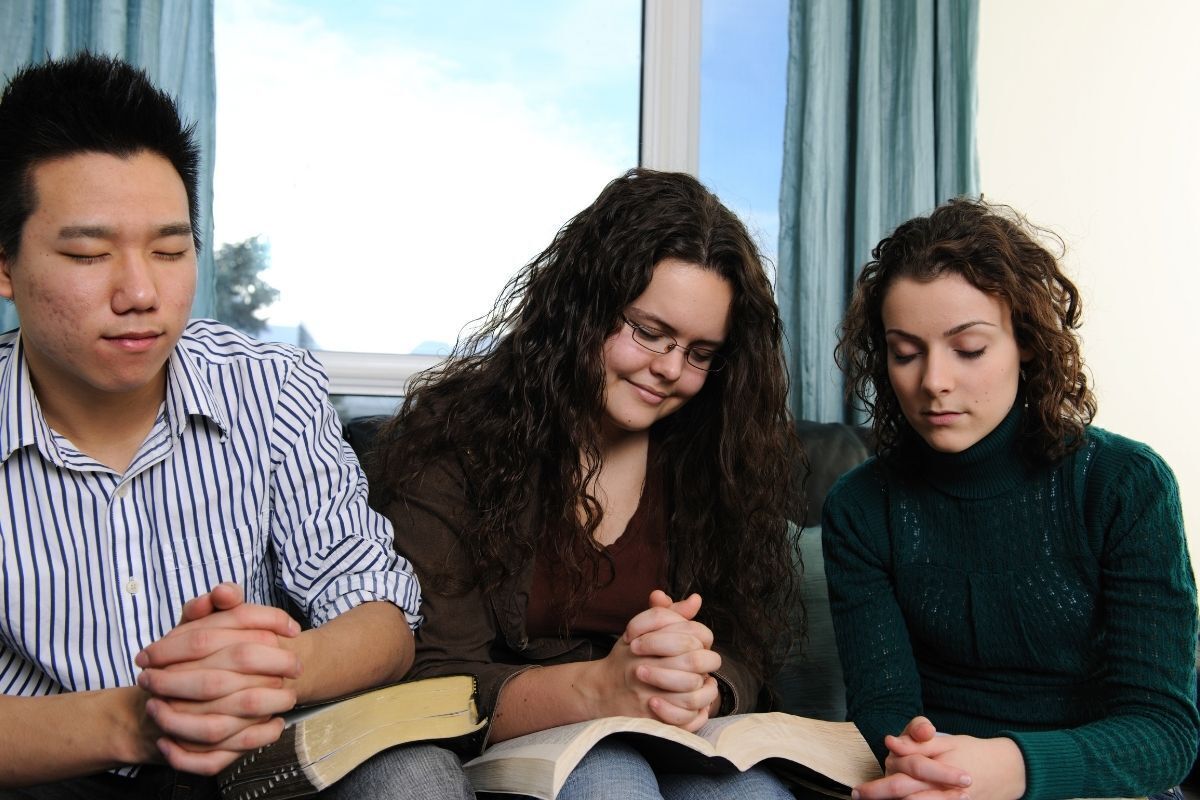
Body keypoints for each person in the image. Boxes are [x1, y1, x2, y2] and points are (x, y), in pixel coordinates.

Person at [0, 53, 474, 799]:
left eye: (170, 249)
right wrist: (137, 719)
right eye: (89, 254)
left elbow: (381, 610)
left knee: (415, 774)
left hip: (249, 766)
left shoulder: (270, 387)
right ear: (5, 265)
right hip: (50, 770)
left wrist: (270, 669)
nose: (140, 292)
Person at [368, 168, 802, 798]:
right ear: (582, 309)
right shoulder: (453, 437)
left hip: (666, 740)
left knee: (754, 794)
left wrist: (702, 680)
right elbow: (432, 677)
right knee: (609, 778)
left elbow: (746, 646)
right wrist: (603, 687)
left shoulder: (716, 451)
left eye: (701, 353)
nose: (670, 370)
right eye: (649, 333)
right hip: (507, 746)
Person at [823, 197, 1199, 800]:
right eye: (905, 352)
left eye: (968, 348)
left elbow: (1163, 734)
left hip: (1102, 787)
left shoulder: (1127, 485)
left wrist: (1011, 769)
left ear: (1024, 341)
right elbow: (886, 711)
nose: (933, 381)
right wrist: (933, 771)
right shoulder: (860, 509)